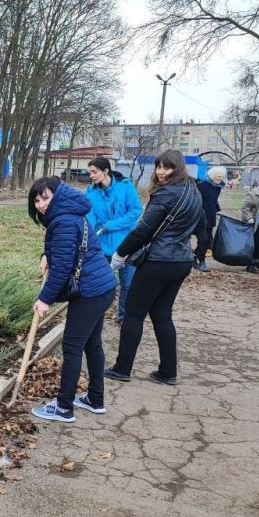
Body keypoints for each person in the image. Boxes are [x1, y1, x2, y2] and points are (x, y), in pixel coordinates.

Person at [105, 150, 205, 386]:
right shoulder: (194, 191)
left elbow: (143, 231)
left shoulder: (166, 194)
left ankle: (122, 368)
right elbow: (202, 225)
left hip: (159, 261)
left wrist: (120, 253)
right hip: (181, 261)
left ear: (178, 168)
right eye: (158, 166)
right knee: (162, 315)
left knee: (133, 313)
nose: (160, 172)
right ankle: (168, 372)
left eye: (167, 167)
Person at [28, 176, 117, 423]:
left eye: (45, 198)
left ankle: (63, 407)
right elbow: (68, 249)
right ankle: (95, 399)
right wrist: (46, 254)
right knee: (92, 344)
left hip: (90, 293)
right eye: (36, 201)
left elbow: (62, 269)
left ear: (57, 195)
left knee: (72, 347)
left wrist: (44, 299)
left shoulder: (63, 220)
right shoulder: (71, 212)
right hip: (104, 287)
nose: (41, 205)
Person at [85, 156, 143, 323]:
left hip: (127, 244)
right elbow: (90, 217)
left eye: (94, 172)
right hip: (102, 246)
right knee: (100, 284)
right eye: (90, 172)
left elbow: (135, 211)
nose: (91, 176)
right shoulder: (90, 192)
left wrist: (110, 225)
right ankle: (97, 317)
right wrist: (88, 235)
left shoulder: (125, 186)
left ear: (106, 171)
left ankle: (124, 317)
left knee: (128, 285)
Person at [192, 165, 226, 272]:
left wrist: (218, 210)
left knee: (209, 243)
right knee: (204, 240)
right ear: (211, 175)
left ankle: (195, 256)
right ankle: (201, 261)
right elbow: (196, 201)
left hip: (211, 216)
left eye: (221, 176)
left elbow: (214, 200)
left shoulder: (218, 187)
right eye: (217, 176)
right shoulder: (201, 186)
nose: (219, 178)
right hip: (200, 217)